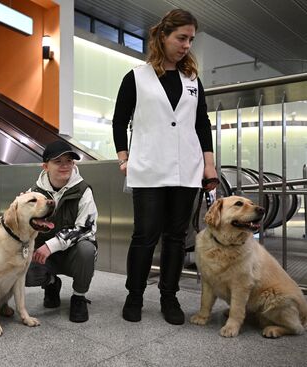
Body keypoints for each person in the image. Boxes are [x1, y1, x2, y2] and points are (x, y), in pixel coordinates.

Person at [112, 9, 218, 325]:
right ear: (163, 36)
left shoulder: (192, 80)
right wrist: (123, 158)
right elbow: (120, 120)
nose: (186, 45)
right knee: (145, 234)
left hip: (186, 168)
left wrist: (209, 166)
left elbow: (202, 124)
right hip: (147, 168)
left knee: (175, 236)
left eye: (190, 40)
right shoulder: (136, 76)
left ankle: (169, 298)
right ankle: (134, 296)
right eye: (181, 38)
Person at [25, 140, 98, 323]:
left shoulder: (83, 190)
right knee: (19, 265)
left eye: (69, 161)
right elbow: (22, 224)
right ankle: (51, 283)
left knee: (87, 249)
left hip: (72, 255)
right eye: (58, 161)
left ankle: (78, 297)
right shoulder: (34, 193)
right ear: (45, 166)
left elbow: (85, 228)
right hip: (44, 257)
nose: (65, 166)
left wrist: (51, 245)